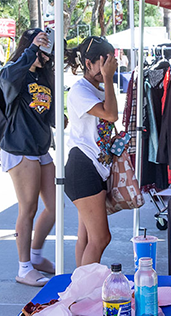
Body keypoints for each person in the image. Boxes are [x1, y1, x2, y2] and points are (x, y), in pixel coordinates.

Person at [0, 28, 57, 286]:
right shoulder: (14, 71)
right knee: (28, 207)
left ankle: (35, 255)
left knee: (56, 208)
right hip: (20, 147)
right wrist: (31, 50)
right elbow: (8, 78)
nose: (43, 51)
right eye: (38, 46)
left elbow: (46, 111)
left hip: (40, 148)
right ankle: (23, 268)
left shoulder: (43, 75)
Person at [63, 36, 118, 267]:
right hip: (82, 167)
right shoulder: (79, 91)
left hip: (93, 168)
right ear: (88, 63)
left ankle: (81, 291)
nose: (107, 68)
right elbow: (111, 115)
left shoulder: (99, 88)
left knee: (86, 239)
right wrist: (108, 79)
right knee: (101, 238)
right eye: (102, 62)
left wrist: (106, 81)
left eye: (110, 62)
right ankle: (85, 289)